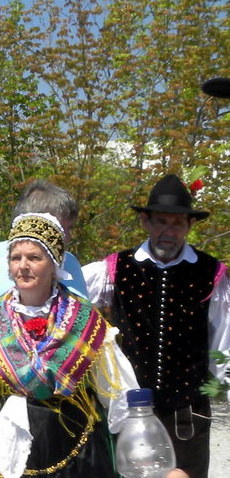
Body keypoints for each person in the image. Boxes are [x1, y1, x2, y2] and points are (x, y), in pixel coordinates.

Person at [83, 174, 230, 478]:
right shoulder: (116, 269)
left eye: (177, 223)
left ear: (189, 225)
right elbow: (69, 299)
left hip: (187, 413)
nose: (169, 231)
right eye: (161, 222)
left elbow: (223, 344)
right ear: (145, 222)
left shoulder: (209, 273)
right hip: (130, 411)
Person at [0, 212, 139, 477]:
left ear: (54, 263)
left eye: (34, 258)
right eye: (16, 258)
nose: (23, 266)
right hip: (10, 443)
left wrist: (135, 440)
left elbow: (117, 391)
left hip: (73, 445)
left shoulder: (85, 319)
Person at [0, 180, 87, 319]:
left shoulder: (71, 263)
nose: (69, 237)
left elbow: (85, 319)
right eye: (64, 229)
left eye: (35, 258)